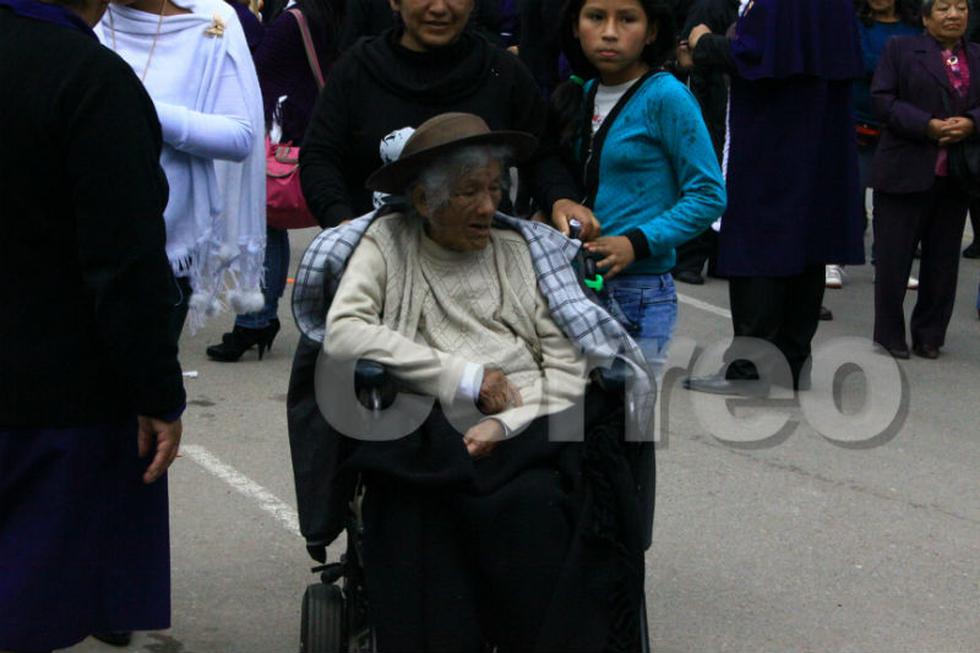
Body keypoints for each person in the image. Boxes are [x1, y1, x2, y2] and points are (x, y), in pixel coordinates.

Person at [293, 113, 654, 652]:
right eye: (468, 192)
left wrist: (505, 425)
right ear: (422, 200)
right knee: (414, 515)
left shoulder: (523, 252)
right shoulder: (387, 244)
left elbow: (566, 366)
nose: (489, 207)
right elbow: (344, 334)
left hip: (528, 417)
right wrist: (463, 377)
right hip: (426, 420)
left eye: (494, 188)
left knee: (544, 507)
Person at [0, 0, 186, 649]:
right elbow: (126, 261)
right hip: (50, 399)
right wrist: (158, 392)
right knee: (24, 604)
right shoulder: (88, 78)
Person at [682, 0, 866, 394]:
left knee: (760, 242)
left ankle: (751, 370)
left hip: (775, 137)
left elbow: (756, 54)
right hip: (818, 136)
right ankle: (794, 362)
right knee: (807, 245)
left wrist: (704, 42)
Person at [300, 0, 598, 238]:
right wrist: (342, 223)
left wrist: (561, 199)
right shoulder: (356, 70)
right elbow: (320, 156)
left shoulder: (503, 73)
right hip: (376, 260)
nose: (440, 8)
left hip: (481, 263)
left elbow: (542, 152)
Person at [551, 0, 727, 373]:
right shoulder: (582, 94)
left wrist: (637, 242)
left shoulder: (666, 96)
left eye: (627, 19)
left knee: (625, 422)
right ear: (574, 26)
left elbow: (709, 194)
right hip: (574, 285)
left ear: (651, 32)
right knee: (570, 421)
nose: (610, 32)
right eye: (596, 17)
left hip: (638, 294)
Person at [96, 0, 267, 338]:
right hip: (79, 236)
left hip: (166, 247)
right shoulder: (79, 18)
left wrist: (143, 109)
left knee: (143, 377)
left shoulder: (212, 20)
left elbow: (239, 136)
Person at [207, 0, 344, 361]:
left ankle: (256, 322)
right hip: (320, 129)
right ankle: (263, 321)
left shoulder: (293, 19)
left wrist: (238, 14)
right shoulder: (326, 12)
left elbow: (257, 63)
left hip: (289, 135)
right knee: (296, 224)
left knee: (268, 223)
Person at [870, 0, 980, 359]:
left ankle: (930, 334)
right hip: (906, 168)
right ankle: (889, 334)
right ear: (926, 16)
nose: (954, 15)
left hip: (956, 174)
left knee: (943, 261)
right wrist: (927, 125)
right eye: (944, 7)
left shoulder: (977, 55)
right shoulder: (899, 49)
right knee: (894, 258)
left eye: (960, 7)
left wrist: (972, 122)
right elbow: (883, 100)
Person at [824, 0, 921, 292]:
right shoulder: (855, 23)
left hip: (899, 122)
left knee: (891, 200)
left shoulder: (913, 27)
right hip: (857, 118)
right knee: (850, 192)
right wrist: (896, 68)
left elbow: (920, 65)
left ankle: (888, 264)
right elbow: (860, 61)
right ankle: (835, 259)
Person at [671, 0, 738, 285]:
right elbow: (689, 53)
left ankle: (721, 255)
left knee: (728, 176)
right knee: (704, 177)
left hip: (729, 104)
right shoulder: (712, 5)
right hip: (707, 99)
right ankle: (690, 256)